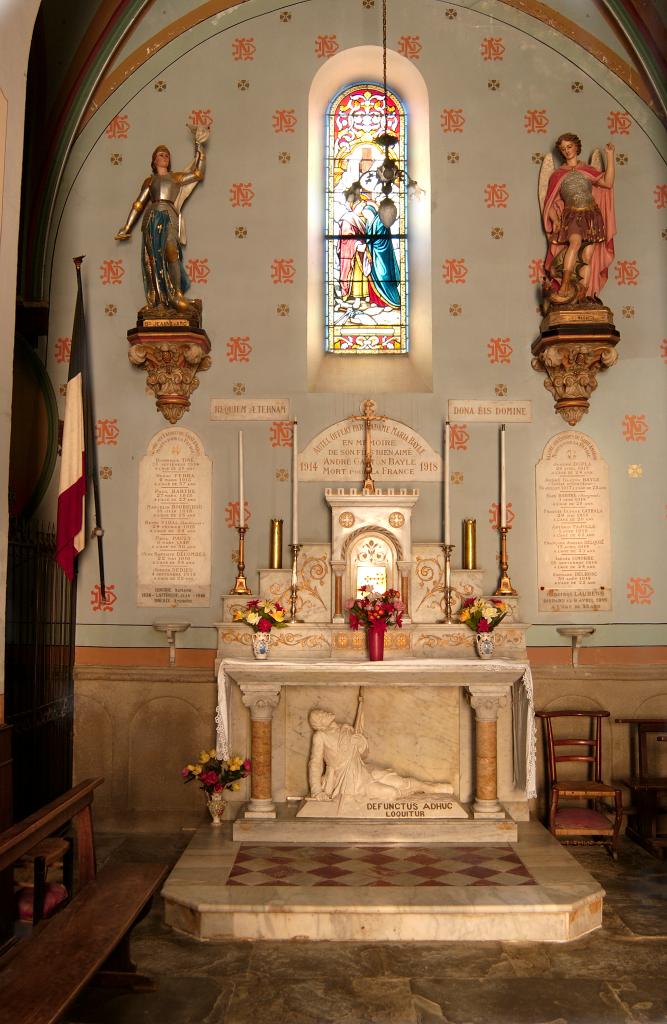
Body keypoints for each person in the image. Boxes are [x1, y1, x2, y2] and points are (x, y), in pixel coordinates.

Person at [115, 126, 209, 314]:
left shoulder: (176, 178)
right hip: (152, 218)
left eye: (166, 155)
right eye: (160, 154)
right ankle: (159, 300)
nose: (164, 156)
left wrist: (200, 146)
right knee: (154, 259)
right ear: (154, 160)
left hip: (169, 215)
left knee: (171, 251)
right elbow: (138, 204)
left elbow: (198, 173)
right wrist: (126, 227)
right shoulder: (150, 181)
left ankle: (176, 294)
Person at [307, 704, 453, 802]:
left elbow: (363, 755)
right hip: (346, 781)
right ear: (320, 724)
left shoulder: (347, 729)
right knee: (392, 793)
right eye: (321, 714)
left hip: (364, 770)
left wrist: (362, 744)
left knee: (399, 781)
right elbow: (315, 764)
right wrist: (317, 791)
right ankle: (414, 793)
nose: (324, 713)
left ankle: (430, 787)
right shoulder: (321, 736)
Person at [541, 133, 616, 304]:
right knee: (574, 244)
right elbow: (549, 203)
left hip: (591, 215)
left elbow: (608, 182)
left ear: (576, 147)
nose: (566, 151)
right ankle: (565, 285)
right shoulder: (558, 174)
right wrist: (556, 220)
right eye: (563, 149)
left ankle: (582, 294)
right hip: (572, 215)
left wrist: (610, 156)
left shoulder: (587, 170)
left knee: (588, 256)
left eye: (569, 146)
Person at [337, 181, 370, 301]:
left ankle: (366, 295)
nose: (349, 200)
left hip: (363, 242)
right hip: (353, 243)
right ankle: (356, 296)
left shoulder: (365, 205)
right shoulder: (350, 210)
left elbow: (368, 222)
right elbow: (347, 229)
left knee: (362, 269)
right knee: (355, 268)